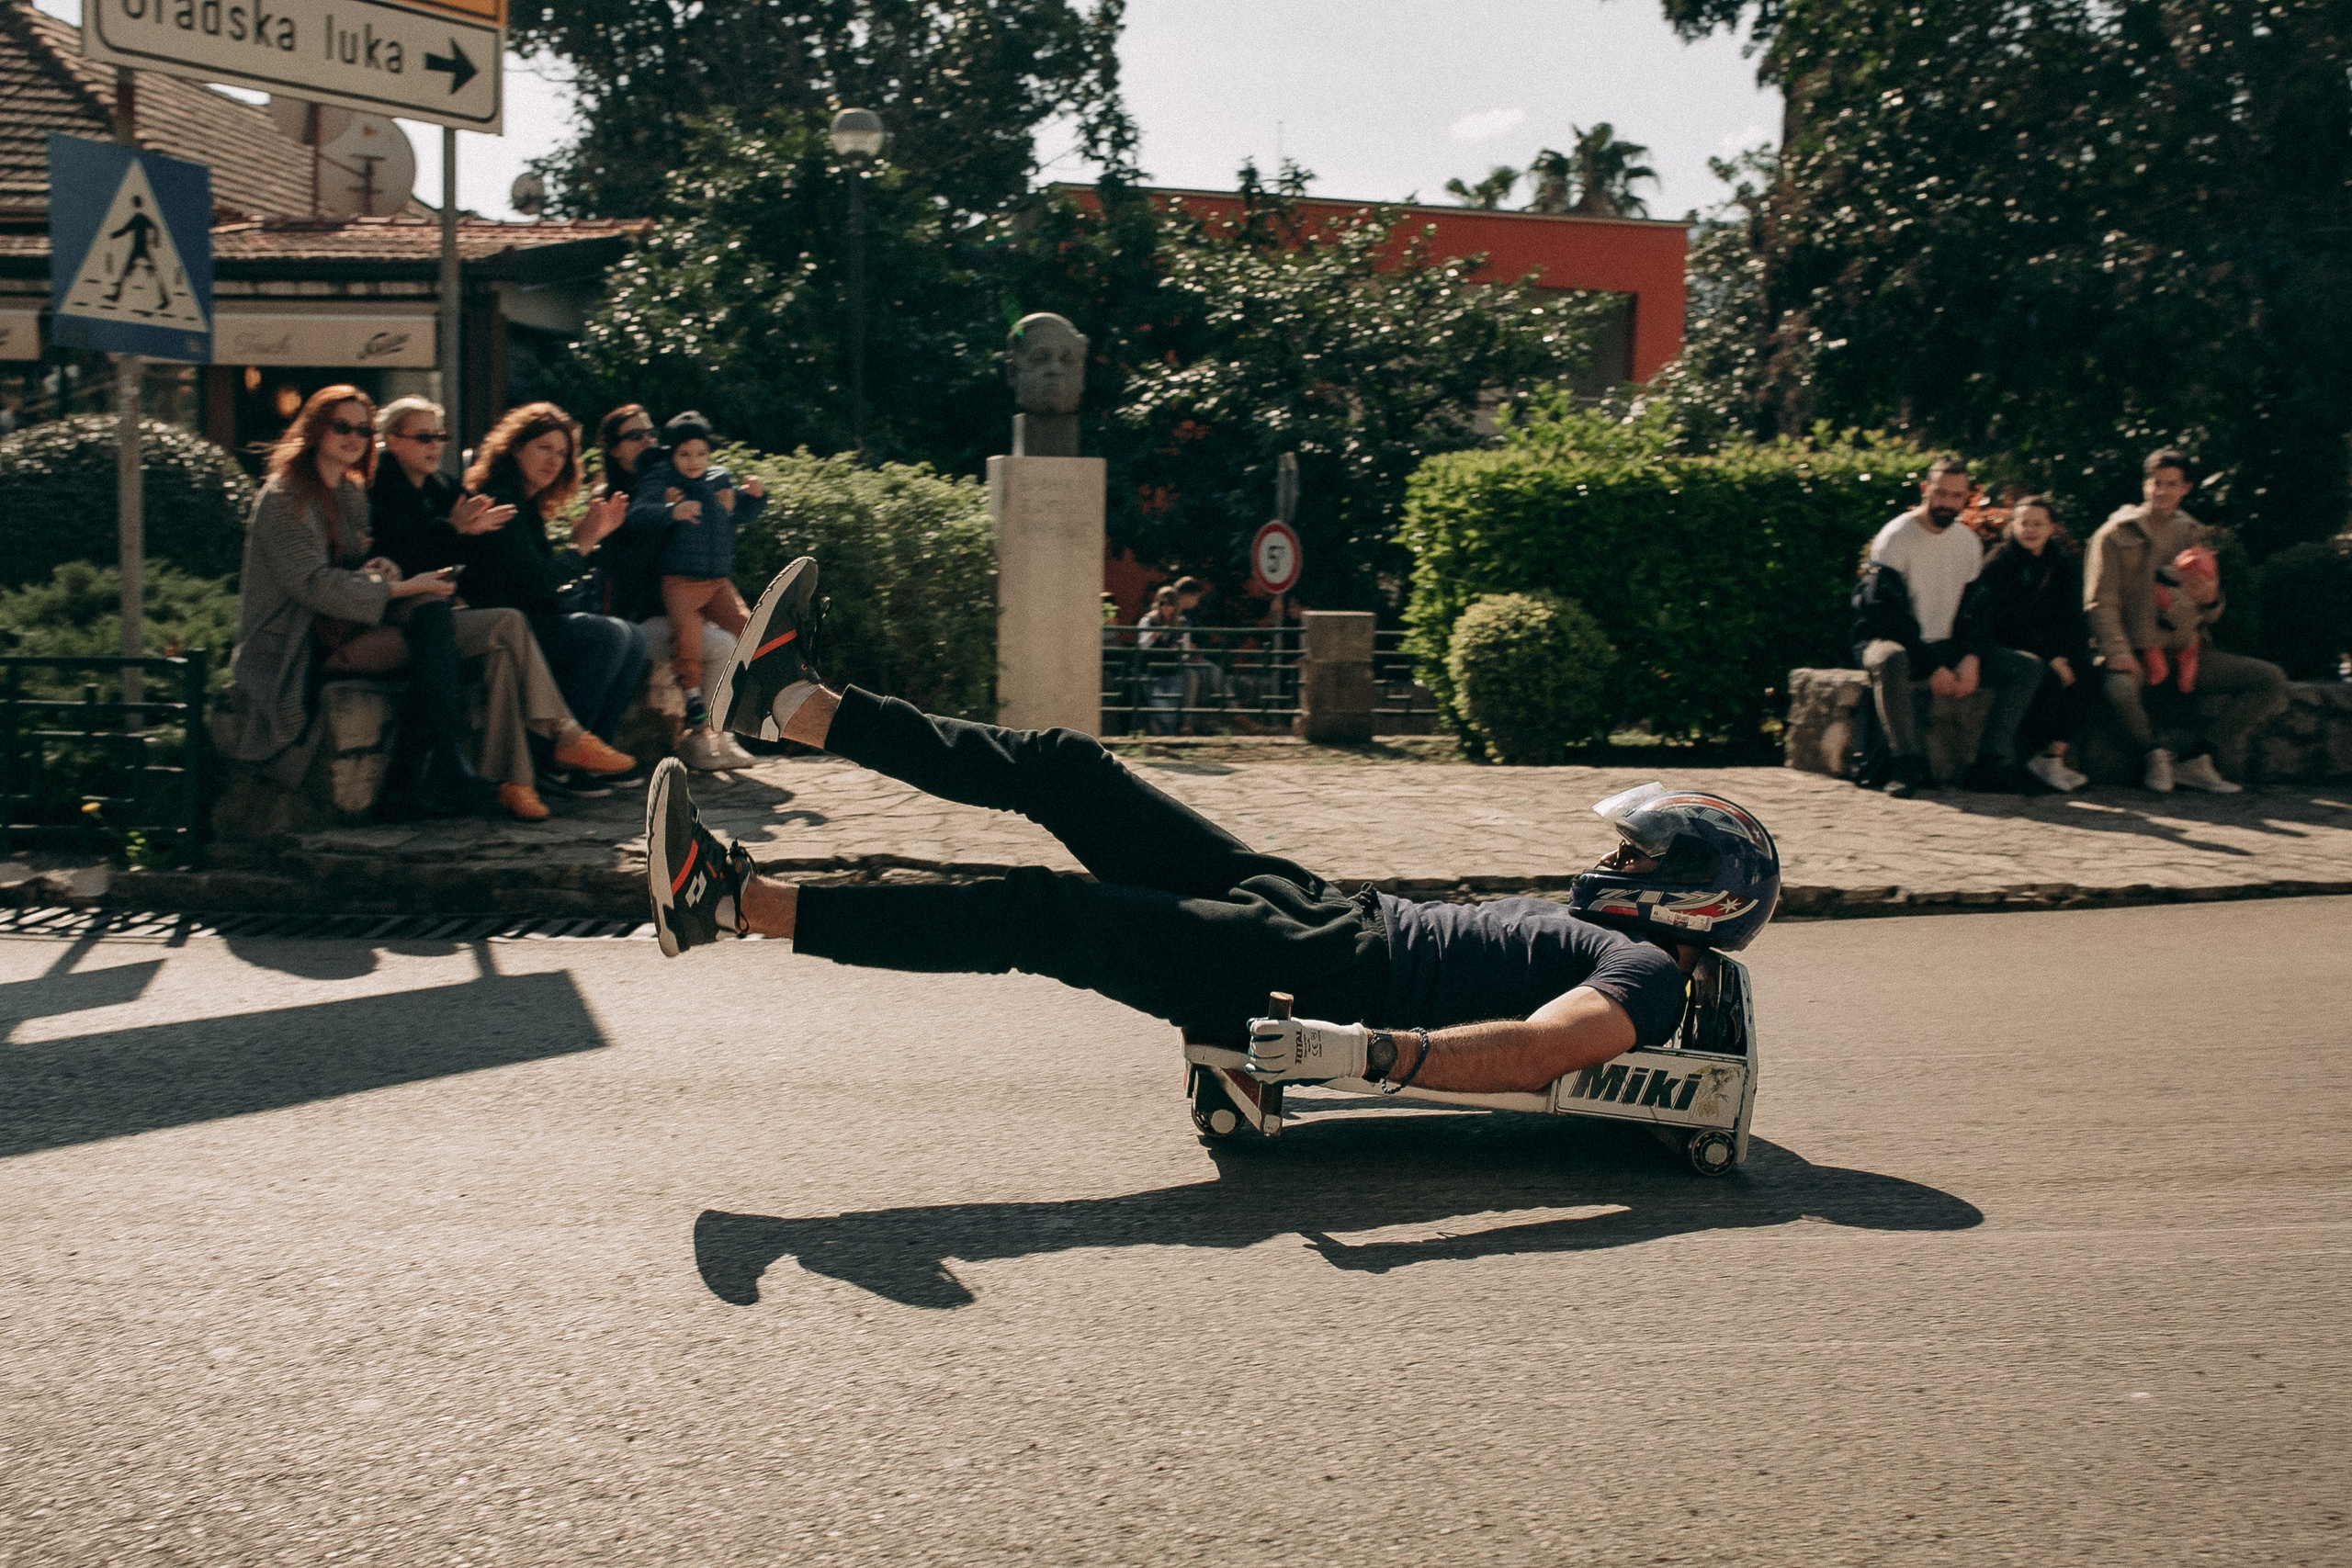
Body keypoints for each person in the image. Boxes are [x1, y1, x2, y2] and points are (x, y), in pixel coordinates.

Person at [640, 560, 1782, 1098]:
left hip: (1324, 968)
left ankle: (734, 904)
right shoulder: (1630, 940)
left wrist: (1373, 1056)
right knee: (1067, 770)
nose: (1606, 865)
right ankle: (797, 704)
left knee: (1045, 915)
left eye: (1633, 859)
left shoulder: (1640, 972)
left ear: (1692, 893)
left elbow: (1543, 1052)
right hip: (1326, 908)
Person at [222, 387, 612, 823]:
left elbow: (359, 564)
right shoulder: (285, 497)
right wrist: (400, 587)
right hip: (300, 645)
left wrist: (382, 567)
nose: (354, 438)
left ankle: (506, 780)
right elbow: (314, 586)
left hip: (352, 626)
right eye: (341, 427)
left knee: (501, 626)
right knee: (435, 614)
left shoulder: (350, 492)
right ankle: (464, 766)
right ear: (314, 430)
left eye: (362, 430)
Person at [448, 403, 648, 784]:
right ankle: (556, 759)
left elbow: (541, 587)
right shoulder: (500, 500)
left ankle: (589, 755)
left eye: (562, 453)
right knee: (605, 635)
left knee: (632, 634)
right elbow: (536, 584)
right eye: (544, 448)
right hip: (503, 629)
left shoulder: (527, 504)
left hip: (530, 618)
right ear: (515, 448)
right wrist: (583, 545)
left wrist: (583, 548)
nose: (554, 460)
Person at [2085, 449, 2290, 794]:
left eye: (2171, 484)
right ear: (2144, 484)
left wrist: (2211, 599)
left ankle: (2197, 759)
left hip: (2184, 653)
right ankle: (2153, 754)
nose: (2161, 491)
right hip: (2134, 649)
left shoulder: (2193, 533)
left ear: (2186, 488)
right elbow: (2099, 602)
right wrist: (2117, 650)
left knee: (2269, 679)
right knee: (2118, 688)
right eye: (2155, 483)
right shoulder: (2115, 534)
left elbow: (2207, 611)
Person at [1851, 455, 2041, 796]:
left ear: (1967, 498)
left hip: (1948, 645)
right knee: (1890, 659)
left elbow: (1977, 610)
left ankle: (1989, 764)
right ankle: (1907, 763)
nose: (1947, 503)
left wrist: (1972, 656)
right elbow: (1884, 614)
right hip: (1895, 641)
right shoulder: (1895, 537)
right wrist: (1931, 664)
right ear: (1926, 490)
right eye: (1941, 493)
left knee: (2026, 668)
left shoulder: (1967, 543)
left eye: (1957, 496)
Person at [623, 411, 767, 742]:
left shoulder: (718, 478)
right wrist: (671, 511)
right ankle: (693, 700)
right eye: (685, 454)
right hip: (680, 581)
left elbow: (745, 512)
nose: (694, 461)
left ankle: (750, 695)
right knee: (688, 638)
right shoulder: (661, 480)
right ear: (671, 453)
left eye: (701, 453)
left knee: (746, 626)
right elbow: (638, 515)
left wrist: (755, 496)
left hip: (717, 580)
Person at [1960, 496, 2095, 793]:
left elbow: (2071, 617)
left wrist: (2067, 655)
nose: (2030, 530)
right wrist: (2051, 657)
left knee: (2088, 673)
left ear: (2052, 528)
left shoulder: (2061, 563)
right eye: (2023, 523)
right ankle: (2021, 759)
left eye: (2038, 524)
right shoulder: (1999, 562)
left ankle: (2052, 757)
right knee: (2044, 676)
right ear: (2012, 526)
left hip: (2049, 645)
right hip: (2008, 644)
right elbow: (2006, 621)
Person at [368, 396, 516, 590]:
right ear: (392, 441)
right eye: (424, 438)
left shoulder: (441, 485)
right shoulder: (379, 488)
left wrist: (473, 529)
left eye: (440, 437)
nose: (435, 445)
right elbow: (405, 558)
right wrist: (453, 528)